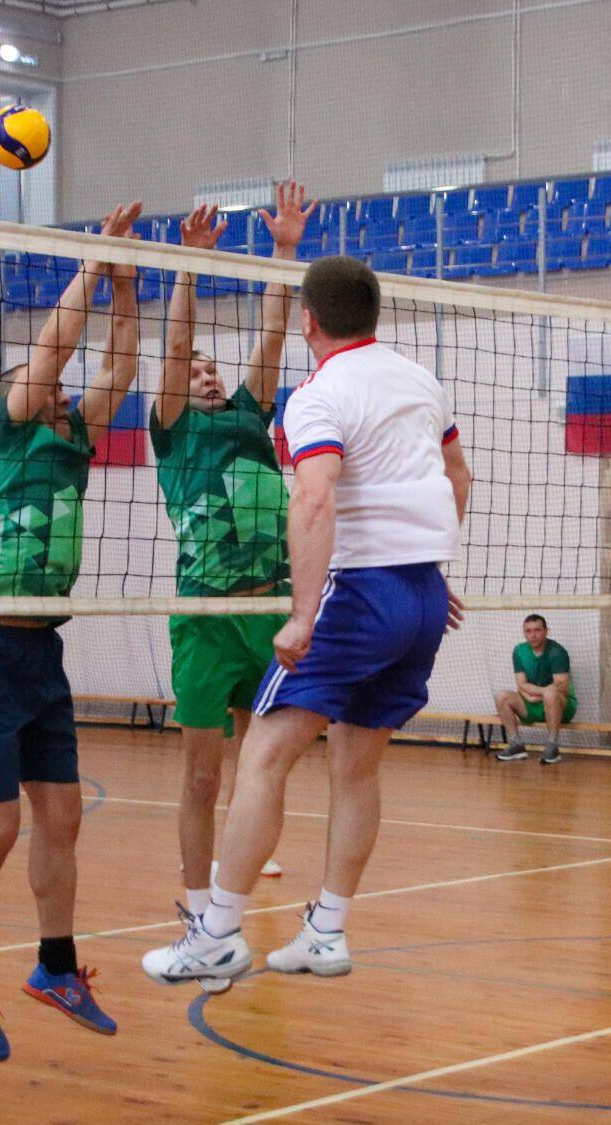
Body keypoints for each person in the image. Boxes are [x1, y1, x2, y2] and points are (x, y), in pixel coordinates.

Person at [141, 254, 471, 990]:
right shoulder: (422, 379)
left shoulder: (314, 395)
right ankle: (325, 929)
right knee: (354, 766)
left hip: (352, 595)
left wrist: (302, 612)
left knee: (261, 756)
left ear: (308, 321)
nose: (204, 376)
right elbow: (457, 476)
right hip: (418, 593)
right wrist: (431, 563)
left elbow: (314, 499)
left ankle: (216, 936)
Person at [0, 205, 145, 1062]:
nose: (57, 389)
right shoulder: (3, 436)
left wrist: (127, 285)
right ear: (10, 404)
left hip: (40, 651)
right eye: (39, 385)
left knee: (61, 816)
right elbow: (52, 353)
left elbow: (118, 366)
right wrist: (91, 264)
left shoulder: (71, 441)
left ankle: (55, 967)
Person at [152, 185, 316, 916]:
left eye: (212, 368)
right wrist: (190, 265)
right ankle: (195, 903)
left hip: (268, 612)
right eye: (197, 372)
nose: (207, 373)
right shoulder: (174, 431)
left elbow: (273, 337)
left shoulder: (251, 415)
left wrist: (283, 251)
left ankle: (240, 868)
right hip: (205, 617)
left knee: (263, 761)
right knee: (201, 774)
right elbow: (175, 346)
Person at [494, 613, 576, 764]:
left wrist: (535, 695)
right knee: (501, 696)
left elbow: (562, 688)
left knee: (551, 694)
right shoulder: (519, 651)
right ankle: (516, 744)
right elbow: (521, 684)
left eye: (537, 630)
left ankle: (552, 747)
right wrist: (537, 694)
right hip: (531, 704)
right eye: (528, 631)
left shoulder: (557, 652)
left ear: (546, 631)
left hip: (561, 706)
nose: (533, 635)